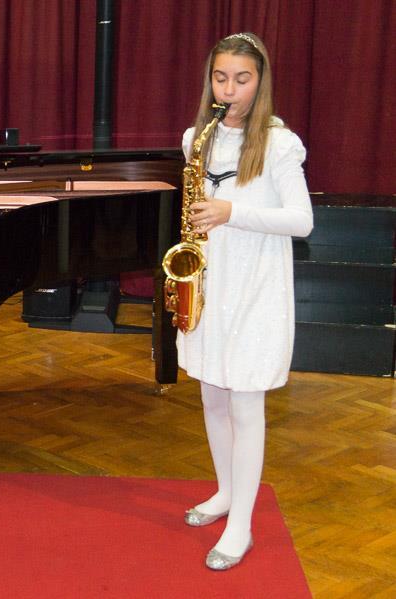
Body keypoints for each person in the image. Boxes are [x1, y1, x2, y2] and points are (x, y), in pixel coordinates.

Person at [177, 33, 313, 570]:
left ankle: (242, 526)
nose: (229, 90)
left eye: (242, 79)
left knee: (245, 405)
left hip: (256, 289)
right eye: (220, 78)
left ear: (261, 82)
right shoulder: (196, 138)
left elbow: (302, 221)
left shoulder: (279, 144)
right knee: (213, 396)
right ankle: (226, 493)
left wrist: (230, 212)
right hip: (212, 284)